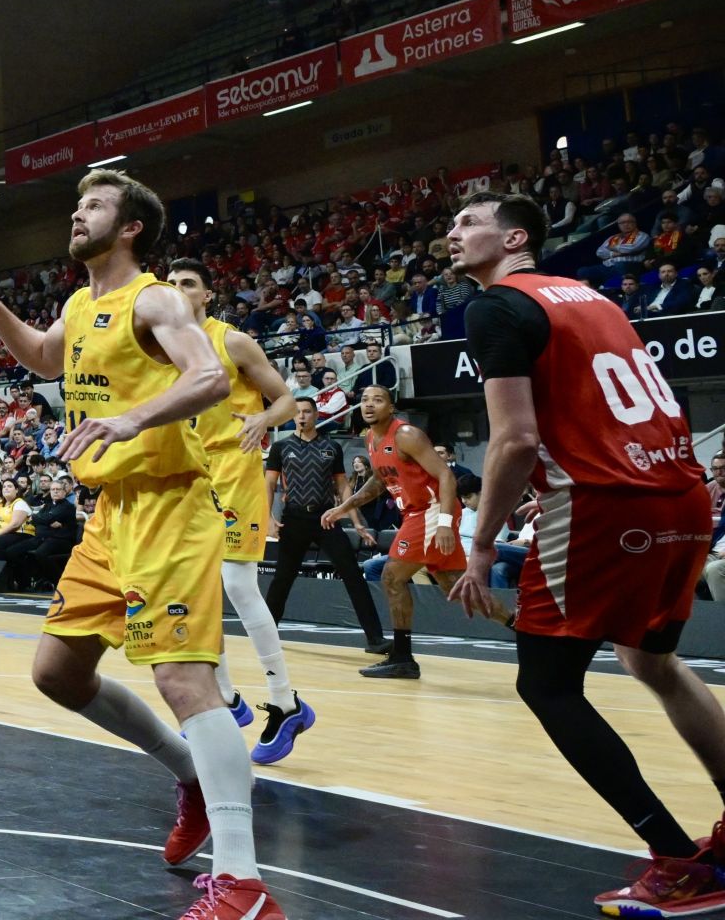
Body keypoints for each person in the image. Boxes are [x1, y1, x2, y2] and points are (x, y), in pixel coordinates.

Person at [0, 169, 283, 920]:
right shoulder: (80, 303)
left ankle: (244, 884)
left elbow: (206, 376)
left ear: (131, 226)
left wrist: (135, 421)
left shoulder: (157, 299)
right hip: (111, 513)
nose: (78, 214)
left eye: (95, 206)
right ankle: (191, 777)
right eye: (77, 206)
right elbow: (44, 356)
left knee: (185, 683)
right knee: (57, 673)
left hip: (170, 505)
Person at [446, 191, 725, 916]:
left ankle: (677, 861)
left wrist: (480, 546)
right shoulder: (595, 301)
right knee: (652, 660)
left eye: (468, 223)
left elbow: (514, 440)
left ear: (515, 238)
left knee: (546, 684)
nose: (452, 233)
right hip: (681, 492)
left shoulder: (495, 307)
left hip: (607, 506)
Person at [166, 260, 310, 765]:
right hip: (190, 474)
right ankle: (225, 700)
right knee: (195, 589)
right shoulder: (163, 347)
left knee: (238, 585)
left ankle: (286, 701)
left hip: (236, 468)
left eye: (188, 284)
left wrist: (265, 419)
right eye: (171, 284)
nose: (178, 291)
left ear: (206, 295)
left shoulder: (233, 342)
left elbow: (289, 400)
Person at [324, 386, 509, 678]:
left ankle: (403, 657)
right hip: (417, 513)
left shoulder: (406, 435)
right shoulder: (372, 438)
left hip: (431, 511)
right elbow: (379, 481)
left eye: (378, 400)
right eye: (364, 400)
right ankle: (523, 626)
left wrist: (446, 523)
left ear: (391, 408)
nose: (369, 405)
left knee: (391, 576)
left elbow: (446, 475)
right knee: (456, 586)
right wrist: (343, 507)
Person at [262, 398, 389, 650]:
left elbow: (342, 486)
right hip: (294, 519)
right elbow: (268, 485)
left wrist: (356, 521)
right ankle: (265, 636)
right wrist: (267, 518)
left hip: (327, 518)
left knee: (353, 575)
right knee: (282, 580)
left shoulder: (331, 447)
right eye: (297, 412)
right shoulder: (281, 447)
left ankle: (375, 639)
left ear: (316, 414)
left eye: (307, 412)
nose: (302, 416)